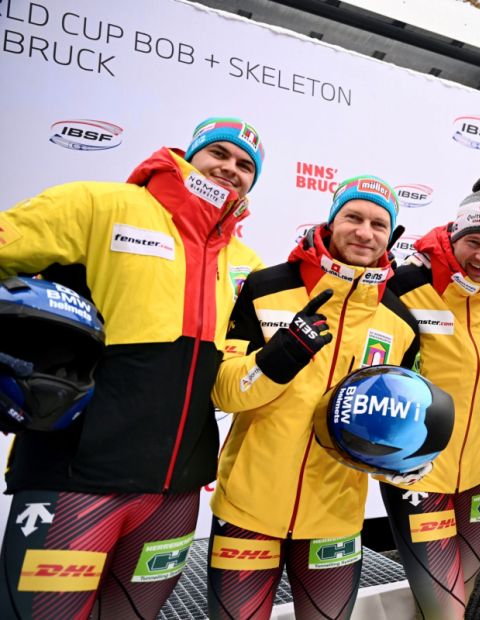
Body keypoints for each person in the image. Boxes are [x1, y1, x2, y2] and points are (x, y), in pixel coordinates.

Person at [0, 117, 265, 618]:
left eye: (246, 166)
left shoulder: (246, 262)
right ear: (190, 156)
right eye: (220, 154)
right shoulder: (100, 204)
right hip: (76, 475)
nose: (231, 169)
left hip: (177, 494)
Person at [206, 175, 420, 620]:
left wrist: (410, 453)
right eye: (353, 217)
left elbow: (399, 417)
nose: (365, 232)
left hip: (335, 517)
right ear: (331, 220)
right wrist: (279, 358)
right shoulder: (266, 286)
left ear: (391, 235)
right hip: (248, 509)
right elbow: (224, 391)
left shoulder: (400, 321)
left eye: (379, 224)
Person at [381, 176, 480, 619]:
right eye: (472, 241)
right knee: (446, 609)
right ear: (453, 238)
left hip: (477, 474)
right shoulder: (407, 285)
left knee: (453, 599)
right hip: (419, 474)